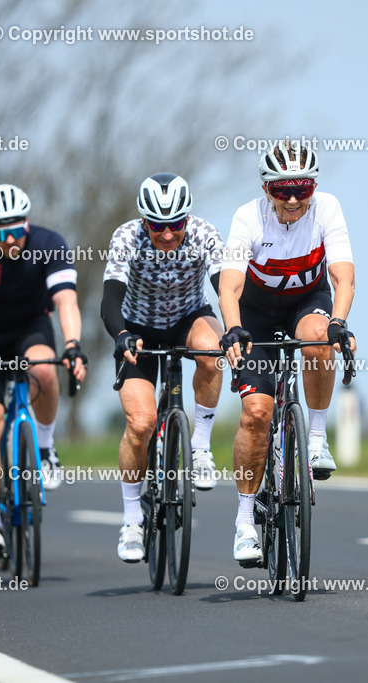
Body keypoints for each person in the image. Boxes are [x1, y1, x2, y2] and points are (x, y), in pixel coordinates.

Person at [219, 141, 357, 563]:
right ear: (266, 190)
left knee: (319, 337)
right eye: (282, 190)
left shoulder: (327, 208)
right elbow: (230, 285)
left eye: (302, 189)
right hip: (255, 314)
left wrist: (338, 322)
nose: (293, 199)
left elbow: (343, 277)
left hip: (306, 302)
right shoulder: (247, 217)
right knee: (257, 414)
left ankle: (316, 439)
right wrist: (233, 329)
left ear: (313, 187)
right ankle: (245, 520)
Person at [0, 183, 88, 560]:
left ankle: (44, 448)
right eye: (1, 233)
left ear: (27, 223)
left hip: (31, 327)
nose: (10, 240)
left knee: (44, 370)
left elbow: (66, 301)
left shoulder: (49, 242)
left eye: (17, 230)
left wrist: (72, 344)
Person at [101, 173, 225, 563]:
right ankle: (132, 519)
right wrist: (121, 335)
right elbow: (110, 299)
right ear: (144, 221)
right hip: (138, 329)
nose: (168, 234)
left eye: (176, 224)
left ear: (188, 218)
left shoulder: (204, 234)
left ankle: (200, 446)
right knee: (141, 424)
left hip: (190, 317)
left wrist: (236, 328)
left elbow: (225, 286)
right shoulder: (126, 237)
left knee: (213, 351)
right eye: (157, 226)